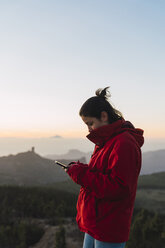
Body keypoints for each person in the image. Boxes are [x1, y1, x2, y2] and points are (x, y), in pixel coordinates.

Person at [64, 87, 144, 248]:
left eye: (90, 123)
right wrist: (81, 168)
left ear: (104, 116)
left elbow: (118, 187)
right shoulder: (106, 140)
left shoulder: (124, 143)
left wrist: (80, 175)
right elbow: (101, 173)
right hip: (95, 222)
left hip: (109, 226)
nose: (88, 129)